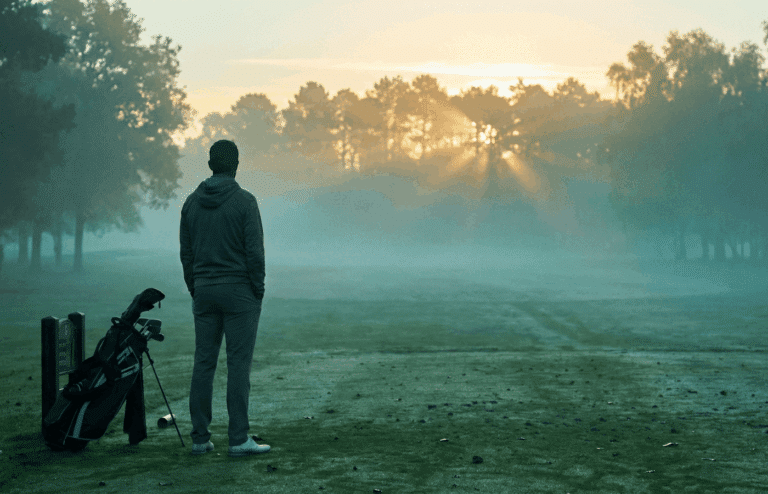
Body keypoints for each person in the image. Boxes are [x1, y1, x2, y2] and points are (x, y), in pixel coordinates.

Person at [180, 139, 270, 457]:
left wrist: (196, 287)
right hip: (239, 293)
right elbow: (254, 254)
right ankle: (238, 439)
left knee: (203, 364)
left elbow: (186, 255)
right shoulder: (245, 202)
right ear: (236, 165)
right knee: (237, 365)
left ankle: (200, 438)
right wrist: (257, 290)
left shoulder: (191, 203)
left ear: (209, 166)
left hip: (204, 291)